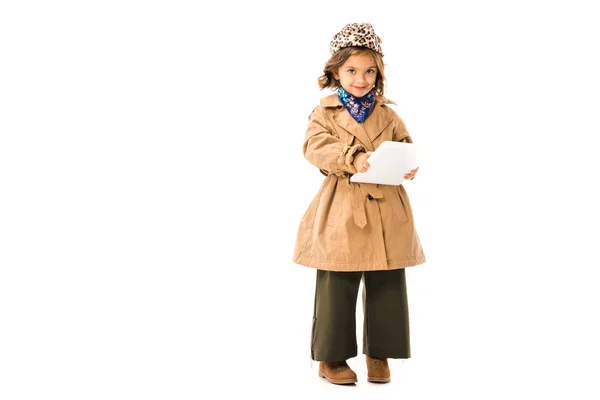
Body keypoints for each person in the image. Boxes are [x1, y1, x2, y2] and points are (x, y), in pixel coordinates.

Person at [293, 22, 426, 385]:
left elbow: (404, 142)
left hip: (386, 207)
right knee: (338, 280)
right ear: (335, 70)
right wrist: (352, 157)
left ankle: (379, 353)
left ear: (379, 73)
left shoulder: (388, 113)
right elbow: (314, 147)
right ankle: (331, 358)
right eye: (351, 70)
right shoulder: (326, 113)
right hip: (343, 206)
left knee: (387, 281)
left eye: (369, 71)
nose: (361, 79)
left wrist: (408, 164)